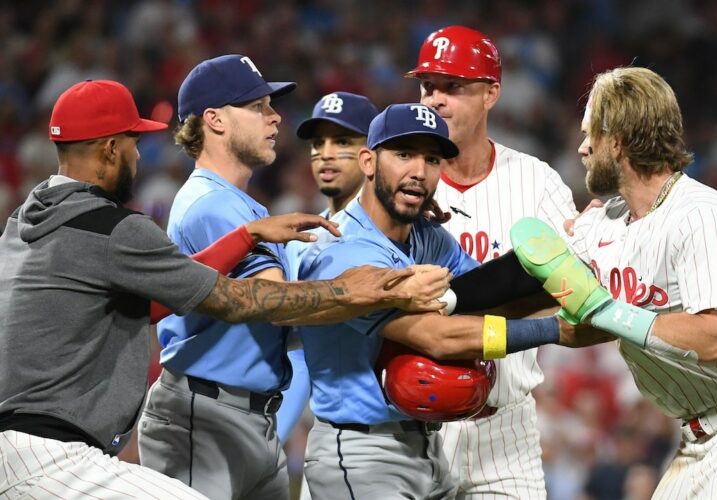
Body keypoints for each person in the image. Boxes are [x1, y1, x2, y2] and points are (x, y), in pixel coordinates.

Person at [0, 80, 441, 499]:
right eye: (134, 143)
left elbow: (157, 300)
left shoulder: (24, 225)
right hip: (59, 452)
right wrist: (353, 291)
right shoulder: (116, 227)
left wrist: (245, 236)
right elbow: (237, 300)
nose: (139, 157)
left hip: (32, 446)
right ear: (111, 148)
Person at [134, 56, 448, 500]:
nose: (275, 116)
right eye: (259, 107)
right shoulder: (212, 205)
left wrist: (395, 213)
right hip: (205, 417)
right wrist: (368, 288)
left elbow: (297, 302)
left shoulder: (242, 205)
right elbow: (280, 305)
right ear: (215, 120)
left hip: (246, 415)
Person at [510, 66, 717, 499]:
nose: (582, 148)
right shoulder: (603, 223)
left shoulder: (702, 216)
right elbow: (553, 295)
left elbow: (715, 337)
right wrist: (456, 305)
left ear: (618, 140)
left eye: (591, 135)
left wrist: (607, 309)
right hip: (696, 442)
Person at [294, 102, 566, 500]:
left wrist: (565, 268)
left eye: (432, 159)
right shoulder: (342, 250)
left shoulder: (426, 237)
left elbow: (485, 294)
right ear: (368, 162)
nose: (419, 172)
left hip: (429, 449)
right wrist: (556, 331)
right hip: (362, 455)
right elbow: (439, 337)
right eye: (404, 154)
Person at [405, 25, 578, 498]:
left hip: (504, 429)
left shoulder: (535, 182)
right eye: (427, 87)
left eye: (453, 87)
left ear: (491, 93)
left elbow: (574, 288)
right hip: (411, 427)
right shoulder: (400, 183)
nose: (435, 99)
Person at [277, 91, 379, 450]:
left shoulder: (399, 230)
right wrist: (272, 436)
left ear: (373, 152)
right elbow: (295, 349)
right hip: (335, 430)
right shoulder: (299, 238)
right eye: (318, 142)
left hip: (399, 428)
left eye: (343, 141)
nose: (326, 152)